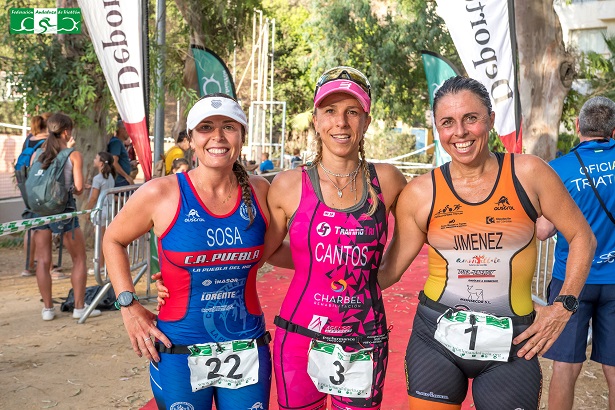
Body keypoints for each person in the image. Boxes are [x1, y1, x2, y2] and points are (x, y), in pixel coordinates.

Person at [377, 76, 596, 409]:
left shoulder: (529, 173)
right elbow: (389, 271)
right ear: (438, 128)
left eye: (471, 118)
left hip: (514, 341)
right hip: (435, 339)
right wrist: (323, 280)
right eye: (447, 122)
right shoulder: (420, 193)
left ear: (491, 119)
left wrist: (562, 308)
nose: (460, 132)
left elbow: (583, 236)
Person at [103, 93, 273, 410]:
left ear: (242, 136)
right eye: (206, 127)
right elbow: (112, 239)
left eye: (229, 127)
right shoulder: (161, 192)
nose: (218, 136)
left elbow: (281, 250)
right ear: (191, 139)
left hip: (247, 345)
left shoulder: (261, 191)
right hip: (179, 348)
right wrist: (128, 305)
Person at [265, 66, 407, 409]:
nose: (341, 122)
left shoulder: (388, 181)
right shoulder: (288, 185)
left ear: (366, 121)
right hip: (299, 336)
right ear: (316, 120)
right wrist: (315, 264)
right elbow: (263, 250)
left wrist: (368, 279)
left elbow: (414, 238)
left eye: (352, 112)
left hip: (364, 337)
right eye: (330, 111)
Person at [536, 96, 615, 410]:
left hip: (571, 280)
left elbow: (543, 231)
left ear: (578, 125)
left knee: (565, 366)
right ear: (613, 130)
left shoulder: (558, 170)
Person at [30, 113, 101, 321]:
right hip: (64, 212)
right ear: (67, 132)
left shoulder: (38, 154)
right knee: (79, 258)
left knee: (43, 260)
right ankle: (79, 307)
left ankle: (48, 309)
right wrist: (78, 187)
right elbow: (78, 189)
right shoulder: (73, 155)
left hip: (39, 211)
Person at [20, 114, 49, 277]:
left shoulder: (28, 139)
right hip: (40, 186)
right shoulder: (47, 141)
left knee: (30, 225)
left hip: (25, 183)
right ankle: (47, 265)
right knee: (45, 225)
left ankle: (28, 265)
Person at [85, 151, 116, 267]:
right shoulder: (110, 177)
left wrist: (88, 211)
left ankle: (100, 265)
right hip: (109, 209)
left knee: (100, 240)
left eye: (96, 158)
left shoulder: (97, 178)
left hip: (100, 211)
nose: (94, 160)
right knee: (104, 239)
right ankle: (104, 264)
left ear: (101, 163)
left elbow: (93, 197)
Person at [107, 119, 134, 187]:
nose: (129, 133)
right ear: (122, 130)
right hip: (120, 181)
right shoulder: (116, 142)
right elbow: (114, 162)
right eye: (128, 130)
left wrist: (130, 164)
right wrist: (126, 176)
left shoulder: (119, 142)